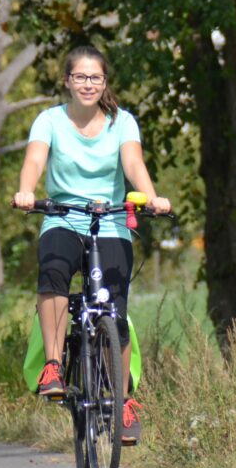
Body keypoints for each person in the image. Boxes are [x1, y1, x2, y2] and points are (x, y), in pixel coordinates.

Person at [12, 45, 171, 445]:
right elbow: (34, 160)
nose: (87, 84)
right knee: (53, 275)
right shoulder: (49, 120)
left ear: (105, 83)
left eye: (95, 77)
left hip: (112, 222)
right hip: (63, 218)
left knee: (115, 310)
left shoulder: (123, 122)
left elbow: (133, 163)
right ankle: (53, 366)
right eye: (80, 77)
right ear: (67, 81)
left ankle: (122, 400)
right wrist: (26, 190)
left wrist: (150, 196)